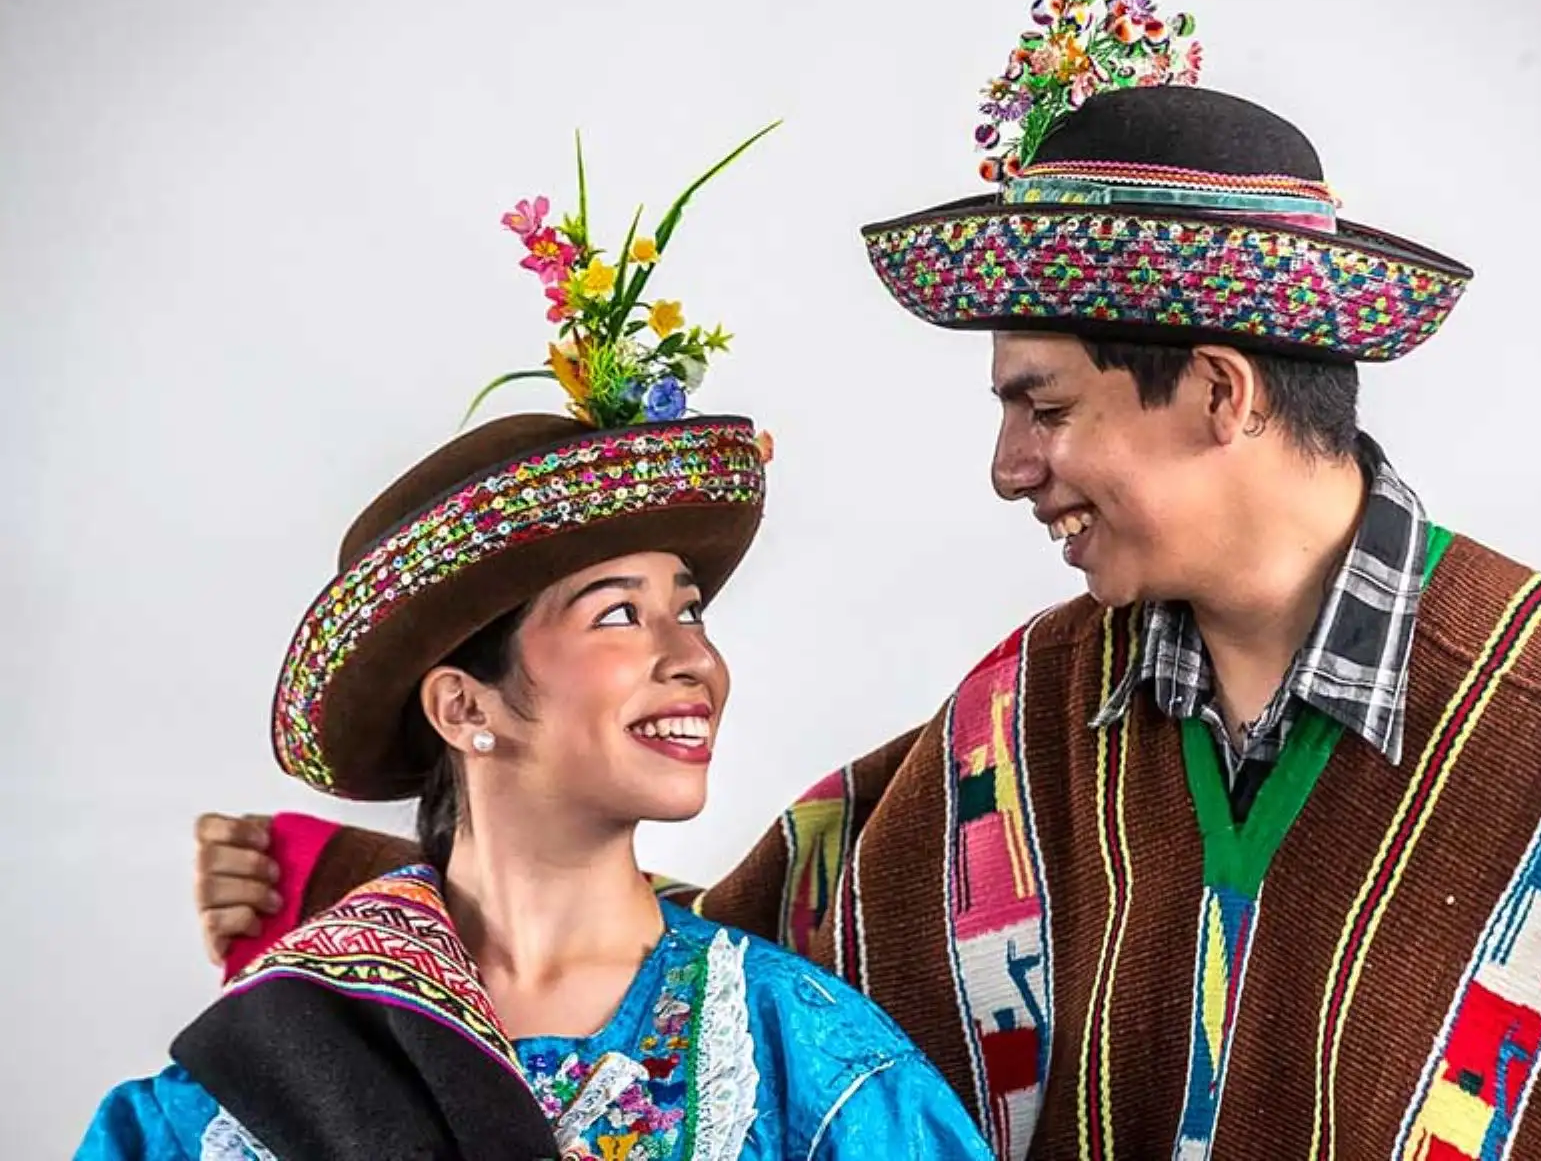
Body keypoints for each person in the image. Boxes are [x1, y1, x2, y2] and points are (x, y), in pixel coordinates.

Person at [181, 0, 1541, 1158]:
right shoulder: (1025, 727)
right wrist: (392, 897)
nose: (1009, 469)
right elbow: (733, 984)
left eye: (1044, 409)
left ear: (1221, 393)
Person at [77, 129, 993, 1160]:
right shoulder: (264, 1070)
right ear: (463, 705)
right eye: (618, 613)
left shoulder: (802, 1063)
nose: (693, 659)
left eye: (687, 609)